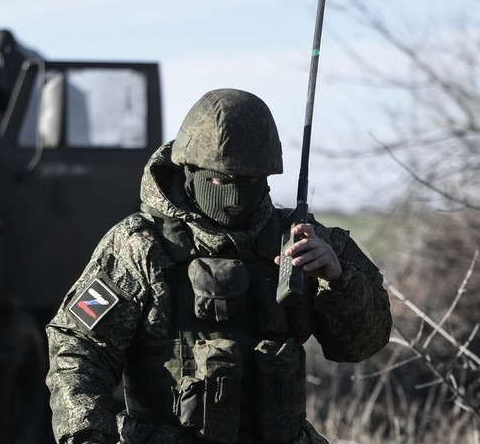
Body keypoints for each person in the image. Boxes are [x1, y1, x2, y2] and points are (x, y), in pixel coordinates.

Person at [46, 88, 392, 444]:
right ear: (190, 171)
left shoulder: (303, 241)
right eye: (222, 181)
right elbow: (78, 349)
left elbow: (363, 346)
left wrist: (338, 280)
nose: (236, 198)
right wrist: (86, 434)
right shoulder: (139, 246)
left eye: (251, 180)